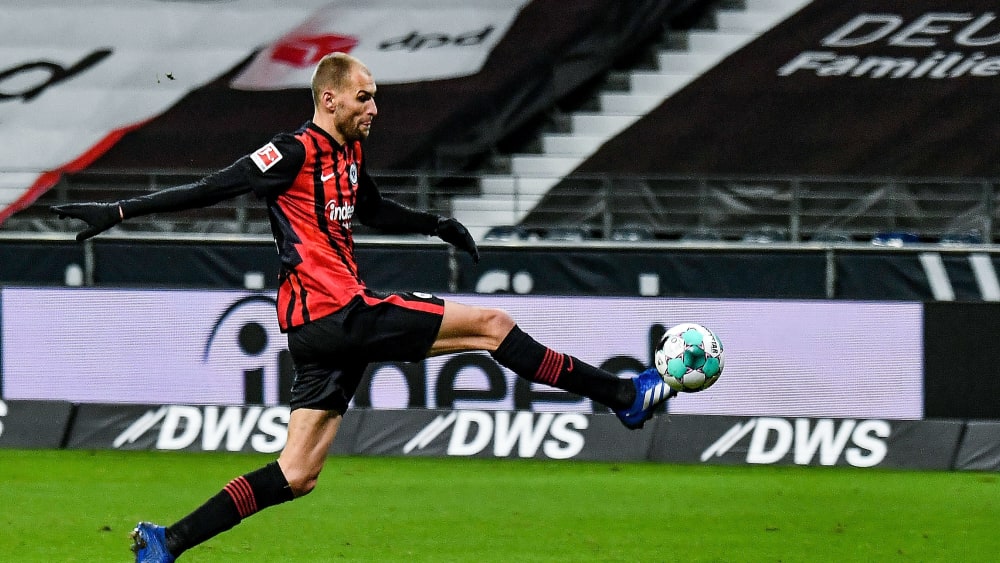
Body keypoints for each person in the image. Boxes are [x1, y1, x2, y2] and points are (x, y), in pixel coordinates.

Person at [51, 52, 674, 562]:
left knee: (297, 473)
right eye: (365, 96)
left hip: (316, 331)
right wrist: (117, 212)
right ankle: (622, 396)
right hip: (336, 313)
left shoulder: (349, 154)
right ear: (330, 98)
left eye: (374, 97)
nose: (374, 107)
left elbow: (371, 208)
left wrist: (436, 224)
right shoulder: (291, 153)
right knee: (492, 326)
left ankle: (168, 542)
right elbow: (212, 188)